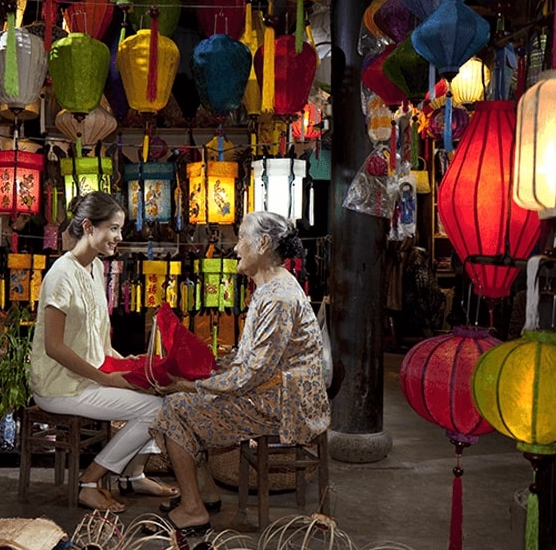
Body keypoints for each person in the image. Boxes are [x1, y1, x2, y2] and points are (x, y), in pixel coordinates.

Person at [150, 211, 331, 534]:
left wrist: (195, 386)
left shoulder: (279, 298)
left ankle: (193, 508)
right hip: (272, 390)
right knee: (184, 403)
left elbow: (254, 372)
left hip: (283, 402)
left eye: (242, 238)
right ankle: (203, 493)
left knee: (176, 408)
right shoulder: (270, 287)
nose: (236, 248)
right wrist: (210, 374)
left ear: (263, 244)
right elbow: (253, 361)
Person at [28, 191, 177, 513]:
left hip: (89, 377)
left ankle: (133, 476)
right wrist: (106, 378)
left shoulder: (95, 267)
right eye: (113, 228)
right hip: (60, 386)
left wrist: (127, 364)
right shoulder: (61, 275)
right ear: (88, 227)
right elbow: (54, 347)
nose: (119, 237)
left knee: (158, 392)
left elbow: (96, 337)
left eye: (120, 229)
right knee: (155, 409)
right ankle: (89, 483)